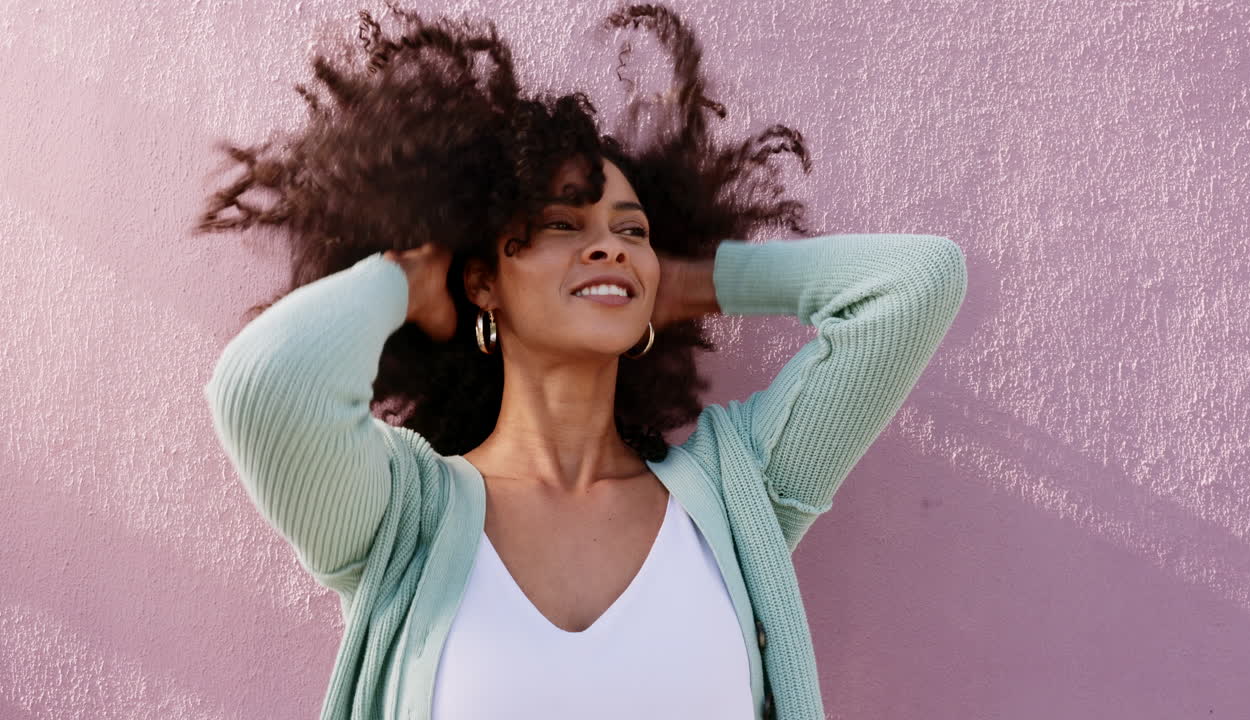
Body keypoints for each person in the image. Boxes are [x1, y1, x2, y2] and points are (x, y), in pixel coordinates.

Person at [194, 3, 967, 719]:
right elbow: (266, 386)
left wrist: (690, 280)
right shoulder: (401, 515)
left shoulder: (738, 494)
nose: (608, 245)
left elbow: (916, 285)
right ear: (483, 280)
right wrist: (409, 278)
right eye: (562, 223)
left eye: (631, 231)